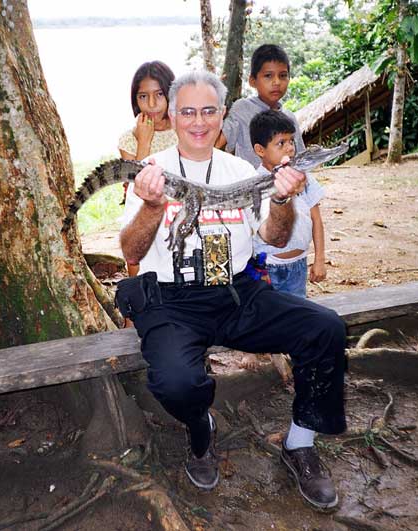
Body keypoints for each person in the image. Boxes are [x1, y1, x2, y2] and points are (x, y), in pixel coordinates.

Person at [116, 70, 346, 509]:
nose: (198, 121)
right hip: (172, 301)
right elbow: (130, 248)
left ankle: (300, 443)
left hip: (238, 292)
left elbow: (275, 239)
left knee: (326, 328)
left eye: (208, 110)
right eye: (188, 111)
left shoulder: (243, 171)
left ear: (222, 115)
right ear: (174, 114)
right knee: (177, 382)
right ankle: (200, 430)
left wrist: (282, 200)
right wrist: (151, 207)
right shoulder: (152, 173)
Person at [251, 109, 327, 296]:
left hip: (298, 267)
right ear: (260, 150)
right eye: (281, 143)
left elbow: (316, 219)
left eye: (291, 141)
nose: (290, 148)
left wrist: (319, 259)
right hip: (267, 267)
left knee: (296, 314)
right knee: (268, 317)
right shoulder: (255, 182)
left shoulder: (303, 177)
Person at [118, 61, 178, 279]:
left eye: (159, 94)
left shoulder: (184, 133)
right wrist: (144, 141)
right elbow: (138, 184)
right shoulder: (129, 139)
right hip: (141, 217)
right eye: (143, 97)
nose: (151, 104)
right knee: (136, 268)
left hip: (175, 214)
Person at [215, 44, 305, 168]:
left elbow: (301, 159)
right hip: (249, 183)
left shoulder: (289, 117)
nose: (277, 82)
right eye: (268, 76)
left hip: (284, 184)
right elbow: (217, 144)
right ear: (252, 81)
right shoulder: (242, 109)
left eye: (283, 76)